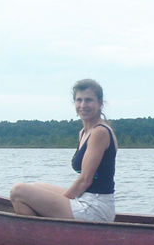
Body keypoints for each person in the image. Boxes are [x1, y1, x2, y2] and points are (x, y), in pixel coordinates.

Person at [10, 79, 118, 222]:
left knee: (18, 191)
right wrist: (53, 203)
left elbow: (85, 180)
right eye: (79, 100)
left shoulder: (100, 132)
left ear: (100, 104)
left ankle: (40, 233)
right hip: (85, 197)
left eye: (88, 100)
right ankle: (47, 231)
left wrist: (55, 203)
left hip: (96, 207)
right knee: (37, 186)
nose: (83, 105)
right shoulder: (83, 132)